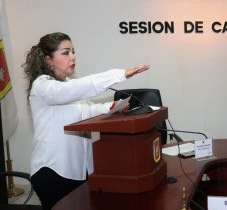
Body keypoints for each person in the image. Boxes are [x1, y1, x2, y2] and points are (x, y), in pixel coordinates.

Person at [22, 32, 150, 210]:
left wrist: (116, 106)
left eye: (73, 51)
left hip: (80, 171)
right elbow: (76, 88)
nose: (73, 57)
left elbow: (89, 110)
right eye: (66, 53)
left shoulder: (67, 85)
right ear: (48, 60)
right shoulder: (42, 86)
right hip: (53, 171)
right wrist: (121, 74)